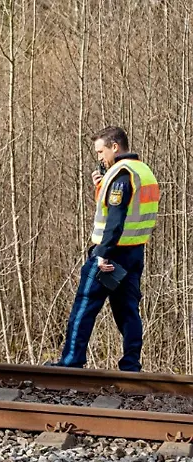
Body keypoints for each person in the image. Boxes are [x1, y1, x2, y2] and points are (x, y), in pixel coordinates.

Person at [47, 126, 160, 372]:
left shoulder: (122, 175)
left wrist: (101, 255)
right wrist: (101, 187)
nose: (99, 157)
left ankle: (71, 361)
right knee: (128, 311)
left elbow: (115, 220)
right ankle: (131, 365)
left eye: (101, 151)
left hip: (111, 255)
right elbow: (128, 210)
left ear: (115, 147)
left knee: (84, 305)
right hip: (135, 252)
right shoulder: (143, 171)